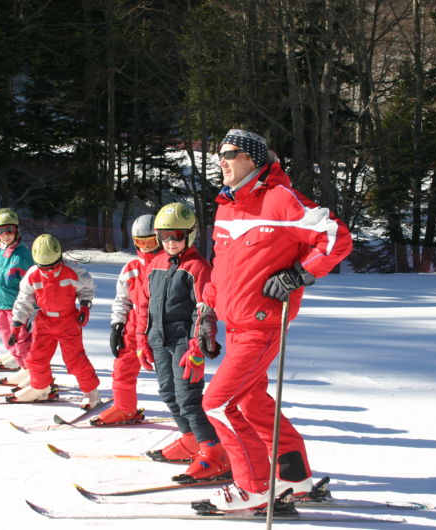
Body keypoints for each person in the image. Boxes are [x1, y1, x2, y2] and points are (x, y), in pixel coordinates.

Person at [199, 129, 353, 510]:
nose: (222, 161)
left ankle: (253, 488)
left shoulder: (281, 199)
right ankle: (295, 477)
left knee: (218, 403)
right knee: (252, 403)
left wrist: (300, 274)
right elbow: (222, 270)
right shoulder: (227, 207)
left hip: (262, 325)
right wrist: (206, 312)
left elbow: (337, 237)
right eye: (219, 154)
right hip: (234, 326)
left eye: (230, 154)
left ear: (252, 158)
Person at [136, 203, 230, 483]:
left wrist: (197, 346)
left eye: (176, 235)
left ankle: (215, 452)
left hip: (184, 344)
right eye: (162, 236)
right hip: (158, 340)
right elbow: (143, 304)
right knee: (167, 393)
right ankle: (190, 440)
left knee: (188, 399)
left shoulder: (198, 267)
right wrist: (142, 339)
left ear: (190, 234)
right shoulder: (155, 264)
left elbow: (205, 310)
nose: (169, 242)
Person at [8, 233, 101, 409]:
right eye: (44, 267)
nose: (49, 271)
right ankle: (40, 388)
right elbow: (24, 299)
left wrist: (85, 306)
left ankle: (91, 392)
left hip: (68, 320)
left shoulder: (73, 271)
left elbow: (87, 288)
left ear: (60, 257)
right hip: (44, 320)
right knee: (36, 358)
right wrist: (17, 324)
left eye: (53, 266)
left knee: (75, 359)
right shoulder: (33, 275)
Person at [90, 214, 163, 426]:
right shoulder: (131, 268)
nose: (147, 247)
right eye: (141, 243)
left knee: (173, 377)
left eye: (151, 242)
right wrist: (117, 326)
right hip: (133, 327)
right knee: (122, 368)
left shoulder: (167, 265)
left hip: (162, 327)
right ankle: (124, 408)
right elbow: (122, 300)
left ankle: (191, 421)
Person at [0, 208, 33, 382]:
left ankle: (32, 373)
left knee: (22, 341)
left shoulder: (22, 254)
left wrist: (34, 309)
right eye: (0, 231)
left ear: (16, 230)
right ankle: (18, 361)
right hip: (1, 306)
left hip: (18, 308)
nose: (6, 234)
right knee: (7, 338)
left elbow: (33, 284)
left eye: (9, 230)